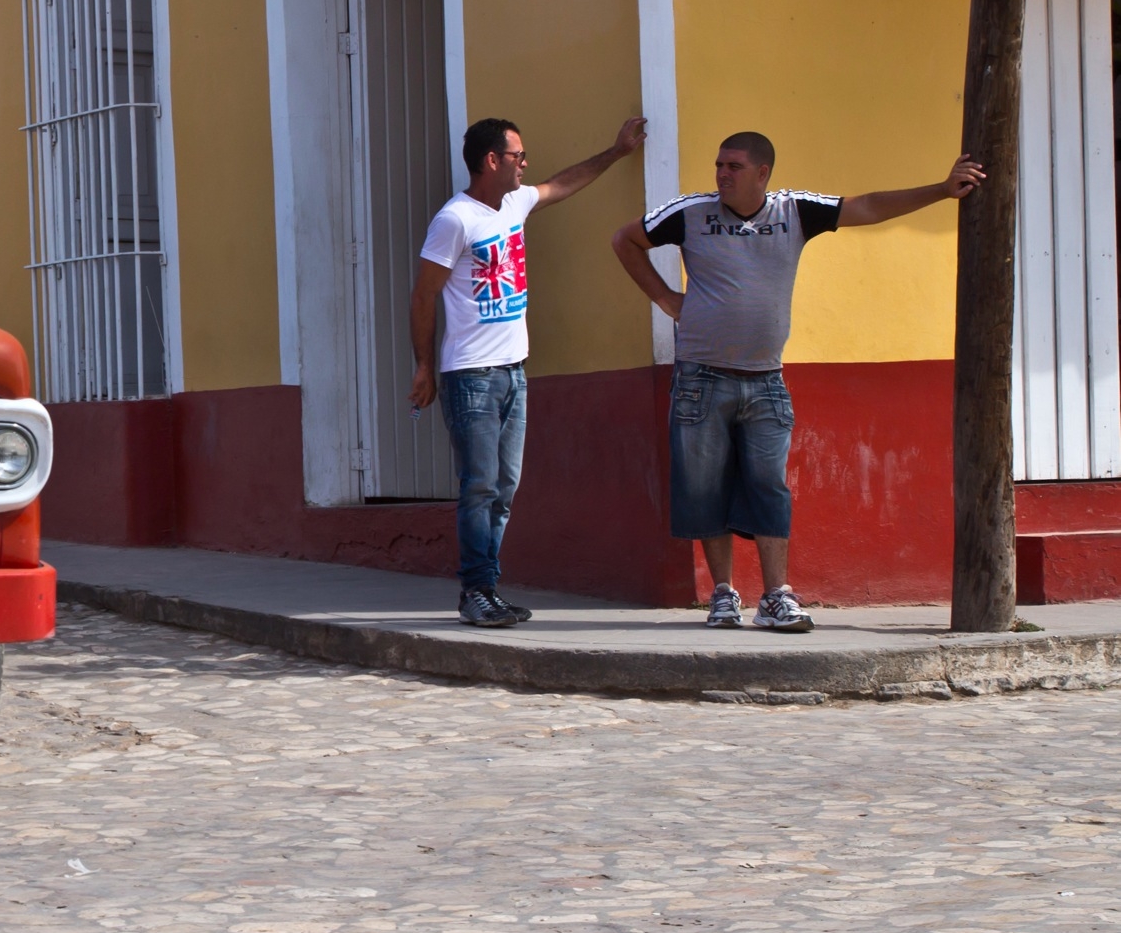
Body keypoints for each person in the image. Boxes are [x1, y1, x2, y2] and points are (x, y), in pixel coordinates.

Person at [612, 132, 985, 632]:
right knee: (705, 488)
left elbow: (868, 207)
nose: (722, 173)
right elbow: (625, 240)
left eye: (735, 166)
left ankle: (775, 597)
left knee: (769, 487)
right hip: (701, 377)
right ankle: (722, 596)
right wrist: (664, 298)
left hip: (766, 380)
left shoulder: (794, 211)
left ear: (762, 173)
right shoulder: (689, 212)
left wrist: (942, 190)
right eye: (719, 164)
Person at [411, 114, 647, 627]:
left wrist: (616, 152)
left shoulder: (514, 203)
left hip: (514, 372)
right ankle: (475, 590)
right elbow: (424, 295)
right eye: (518, 156)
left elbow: (563, 183)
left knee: (505, 486)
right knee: (479, 486)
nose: (525, 164)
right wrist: (425, 366)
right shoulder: (455, 219)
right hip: (470, 374)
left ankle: (488, 588)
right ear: (491, 161)